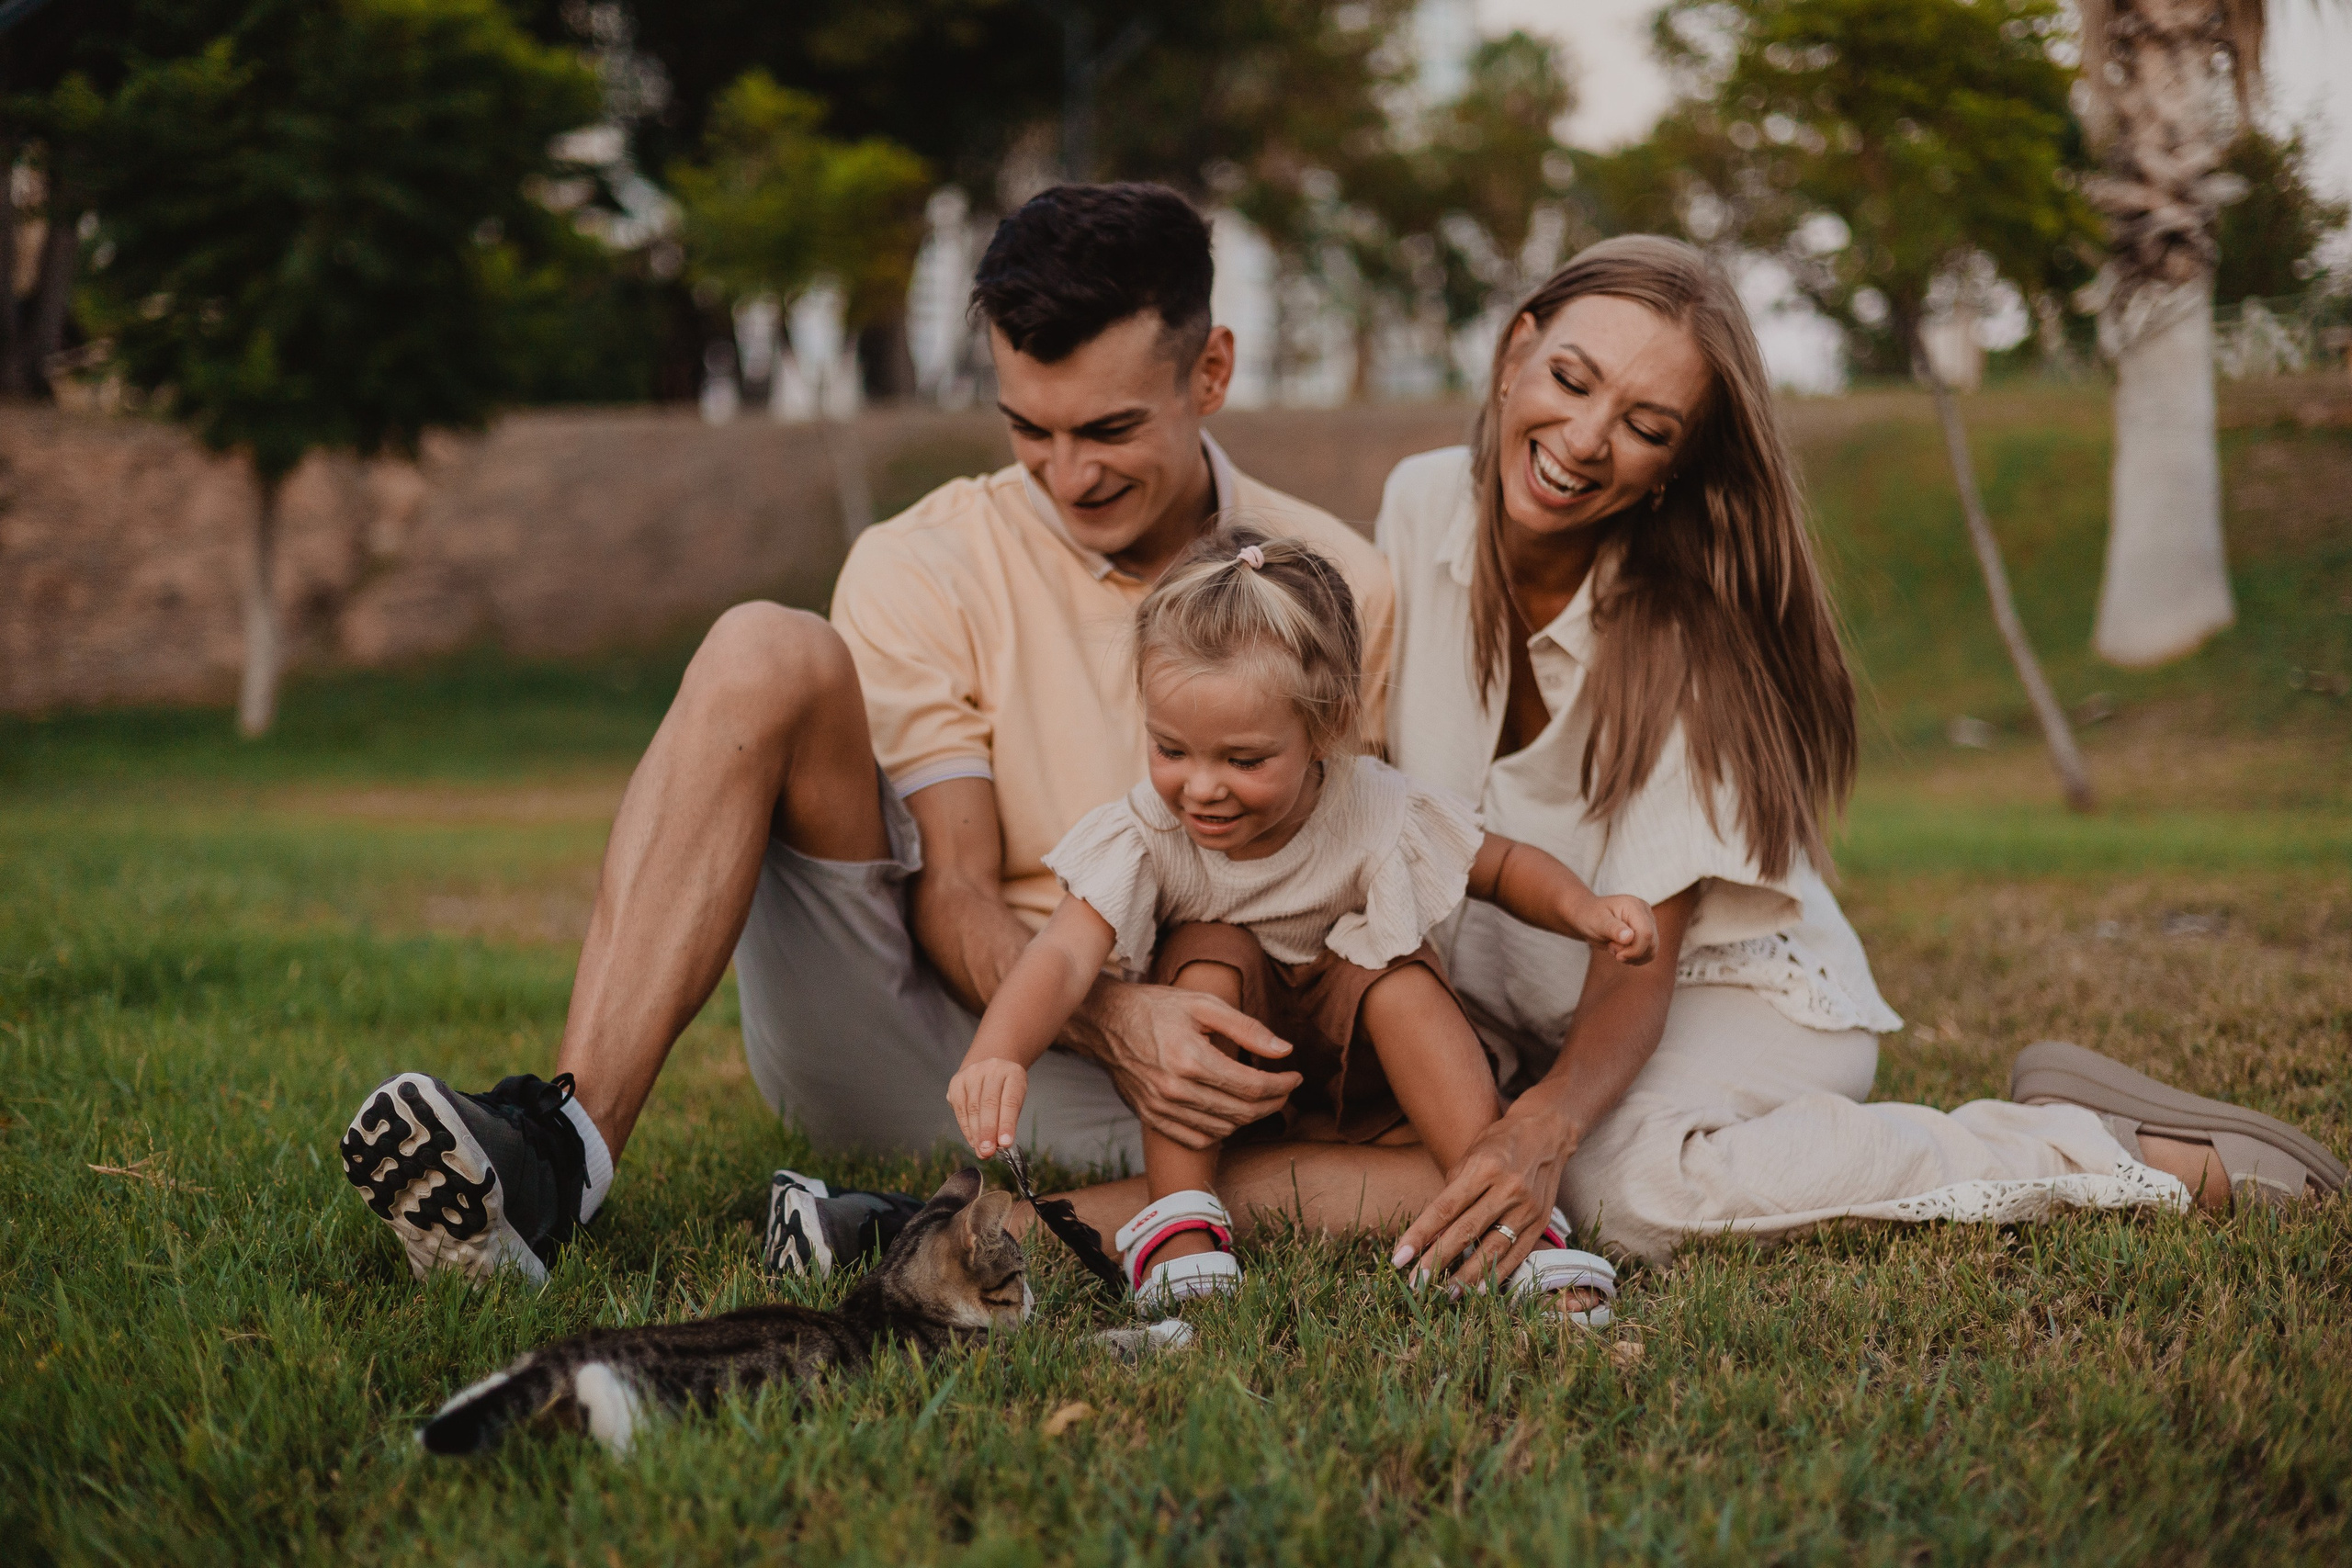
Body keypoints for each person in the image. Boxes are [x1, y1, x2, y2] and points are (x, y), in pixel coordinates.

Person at [1023, 234, 2342, 1303]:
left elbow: (1637, 950)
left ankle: (2089, 1148)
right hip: (1518, 1000)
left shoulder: (1694, 635)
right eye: (1575, 378)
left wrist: (1543, 1125)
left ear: (1677, 463)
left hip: (1722, 992)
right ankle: (1107, 1224)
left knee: (1623, 1188)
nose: (1588, 436)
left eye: (1646, 423)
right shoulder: (1426, 501)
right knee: (1420, 1135)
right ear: (1517, 349)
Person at [336, 184, 1387, 1286]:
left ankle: (924, 1230)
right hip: (931, 1035)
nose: (1069, 474)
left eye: (1110, 429)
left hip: (1205, 1095)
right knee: (761, 648)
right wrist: (1115, 1015)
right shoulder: (922, 561)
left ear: (1210, 371)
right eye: (1031, 429)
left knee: (1354, 1142)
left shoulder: (1341, 585)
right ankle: (560, 1154)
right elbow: (958, 891)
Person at [944, 525, 1655, 1313]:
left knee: (1393, 973)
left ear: (1325, 726)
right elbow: (1064, 955)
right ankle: (1180, 1232)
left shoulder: (1373, 805)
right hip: (1233, 1096)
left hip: (1367, 1087)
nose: (1202, 787)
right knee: (1207, 957)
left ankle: (1505, 1215)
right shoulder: (1149, 831)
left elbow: (1503, 864)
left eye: (1243, 760)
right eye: (1171, 749)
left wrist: (1584, 909)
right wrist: (998, 1052)